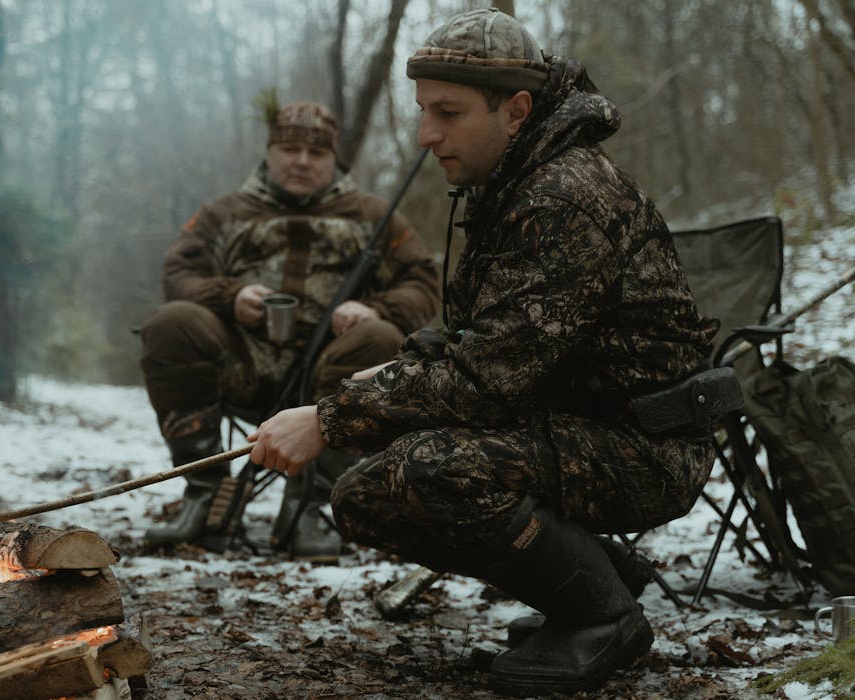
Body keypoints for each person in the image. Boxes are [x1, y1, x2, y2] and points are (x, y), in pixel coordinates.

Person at [247, 8, 731, 696]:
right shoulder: (509, 184)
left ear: (517, 110)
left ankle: (604, 619)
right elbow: (481, 335)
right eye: (422, 111)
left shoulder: (566, 195)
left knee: (428, 471)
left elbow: (484, 377)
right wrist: (398, 367)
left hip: (645, 443)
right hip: (570, 426)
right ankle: (595, 577)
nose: (425, 135)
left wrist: (328, 418)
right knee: (364, 496)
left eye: (447, 113)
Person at [139, 99, 439, 562]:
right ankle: (204, 492)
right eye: (290, 149)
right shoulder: (225, 212)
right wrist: (230, 296)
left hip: (334, 374)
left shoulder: (372, 216)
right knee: (172, 323)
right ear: (270, 152)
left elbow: (423, 283)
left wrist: (372, 307)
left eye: (316, 153)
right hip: (241, 365)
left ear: (334, 159)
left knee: (380, 338)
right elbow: (179, 273)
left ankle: (313, 507)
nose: (302, 161)